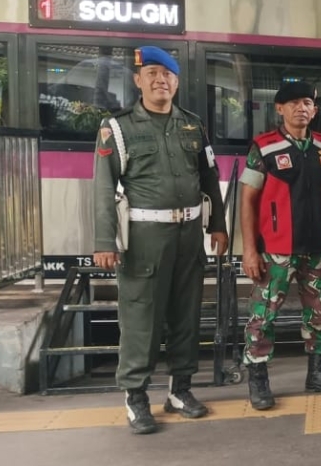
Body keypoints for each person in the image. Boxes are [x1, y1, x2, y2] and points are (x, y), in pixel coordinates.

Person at [92, 46, 227, 435]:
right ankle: (136, 397)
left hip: (189, 236)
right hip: (144, 239)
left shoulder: (193, 125)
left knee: (186, 314)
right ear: (138, 80)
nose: (160, 81)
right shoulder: (117, 128)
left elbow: (209, 177)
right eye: (151, 74)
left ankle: (180, 390)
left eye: (167, 75)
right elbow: (104, 187)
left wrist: (218, 225)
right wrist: (104, 241)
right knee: (142, 318)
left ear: (177, 82)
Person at [238, 80, 321, 411]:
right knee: (263, 316)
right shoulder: (264, 147)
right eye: (294, 103)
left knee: (319, 313)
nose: (302, 108)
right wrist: (250, 250)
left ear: (315, 110)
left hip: (316, 248)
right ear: (279, 109)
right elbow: (248, 200)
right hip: (276, 250)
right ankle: (258, 381)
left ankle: (318, 373)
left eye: (308, 103)